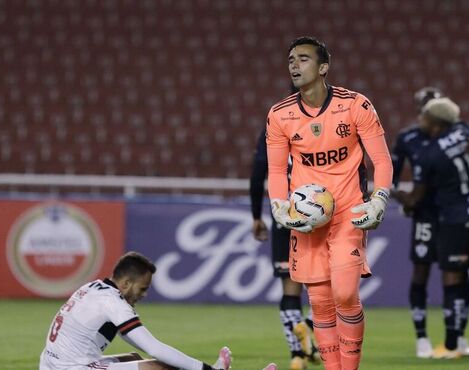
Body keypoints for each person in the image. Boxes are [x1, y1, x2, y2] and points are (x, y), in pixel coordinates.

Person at [266, 36, 393, 370]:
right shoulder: (280, 115)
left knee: (346, 295)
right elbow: (277, 169)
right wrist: (279, 205)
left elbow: (380, 159)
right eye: (291, 58)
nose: (294, 64)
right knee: (320, 304)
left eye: (303, 59)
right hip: (308, 219)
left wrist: (379, 198)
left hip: (349, 213)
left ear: (323, 67)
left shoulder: (355, 106)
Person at [395, 97, 469, 359]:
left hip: (455, 217)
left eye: (425, 116)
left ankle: (450, 346)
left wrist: (392, 194)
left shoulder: (431, 153)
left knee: (453, 277)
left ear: (436, 122)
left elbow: (416, 198)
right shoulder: (465, 131)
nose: (421, 119)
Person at [39, 251, 239, 370]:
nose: (144, 295)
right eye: (142, 288)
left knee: (134, 359)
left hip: (52, 365)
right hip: (71, 368)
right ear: (126, 283)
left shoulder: (93, 288)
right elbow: (154, 348)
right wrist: (202, 368)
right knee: (157, 367)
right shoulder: (113, 302)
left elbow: (136, 342)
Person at [391, 87, 469, 358]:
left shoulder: (457, 136)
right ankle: (422, 338)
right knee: (421, 273)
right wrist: (401, 198)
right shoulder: (408, 137)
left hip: (454, 214)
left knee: (460, 274)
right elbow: (390, 174)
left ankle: (458, 335)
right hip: (425, 215)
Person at [250, 126, 319, 370]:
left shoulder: (273, 128)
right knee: (329, 284)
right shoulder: (324, 122)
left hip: (284, 214)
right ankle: (308, 326)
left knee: (290, 291)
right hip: (318, 212)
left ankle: (297, 356)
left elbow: (258, 173)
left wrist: (256, 215)